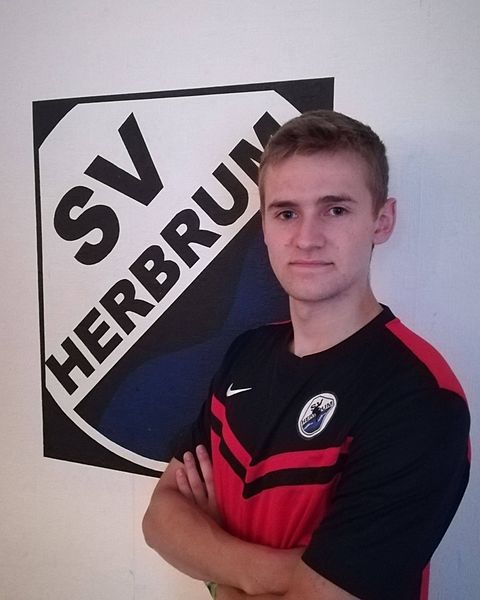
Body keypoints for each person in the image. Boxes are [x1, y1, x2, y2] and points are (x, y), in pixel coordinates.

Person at [142, 110, 470, 600]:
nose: (307, 238)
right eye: (286, 213)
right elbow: (160, 518)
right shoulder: (247, 353)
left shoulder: (421, 396)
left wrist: (215, 569)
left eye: (335, 210)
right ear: (265, 226)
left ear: (382, 221)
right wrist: (274, 574)